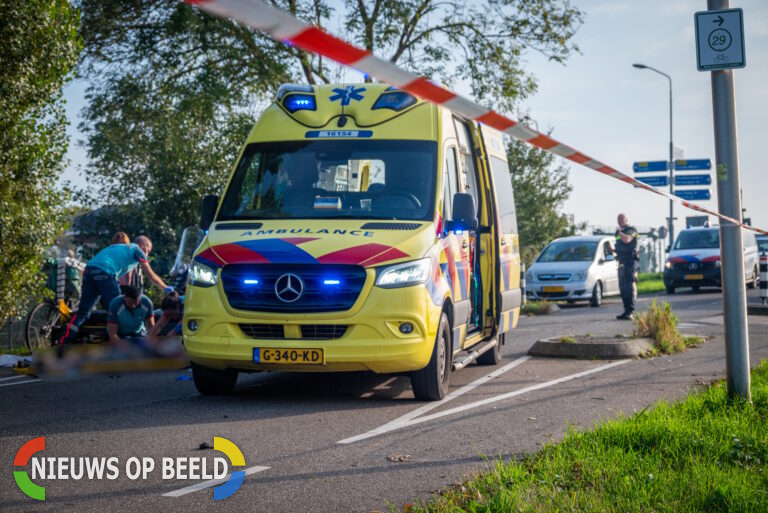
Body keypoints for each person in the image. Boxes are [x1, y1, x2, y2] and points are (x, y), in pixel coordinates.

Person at [59, 235, 172, 344]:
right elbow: (150, 275)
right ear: (143, 245)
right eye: (148, 250)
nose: (147, 255)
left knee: (82, 312)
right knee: (119, 307)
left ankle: (64, 340)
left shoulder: (119, 248)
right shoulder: (137, 249)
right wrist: (165, 287)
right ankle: (118, 343)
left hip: (89, 270)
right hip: (105, 272)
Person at [615, 213, 639, 320]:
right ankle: (626, 310)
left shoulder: (631, 229)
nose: (620, 221)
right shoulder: (618, 232)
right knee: (623, 288)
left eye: (622, 219)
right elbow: (620, 246)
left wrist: (620, 232)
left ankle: (631, 311)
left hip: (630, 263)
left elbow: (627, 240)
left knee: (629, 287)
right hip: (621, 262)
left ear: (626, 219)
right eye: (618, 219)